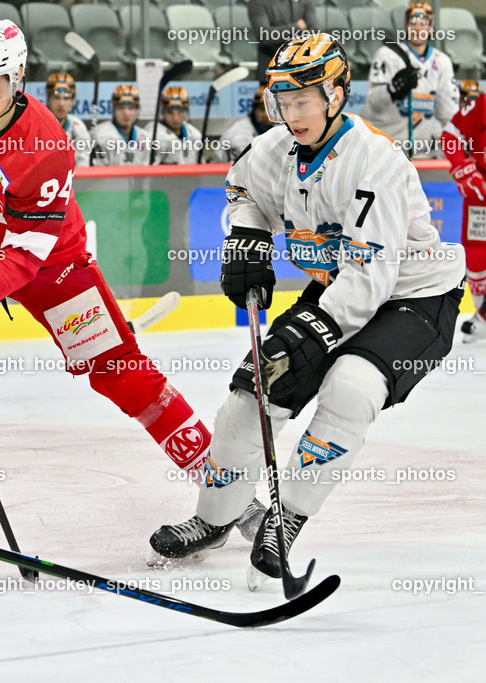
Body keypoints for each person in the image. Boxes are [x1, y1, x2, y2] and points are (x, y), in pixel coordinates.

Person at [0, 18, 243, 539]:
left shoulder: (46, 145)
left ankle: (227, 493)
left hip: (49, 261)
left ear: (17, 76)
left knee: (119, 369)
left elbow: (21, 261)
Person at [148, 35, 465, 587]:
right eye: (282, 101)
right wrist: (247, 237)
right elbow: (244, 191)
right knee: (252, 395)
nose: (291, 114)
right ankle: (215, 518)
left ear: (337, 95)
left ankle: (286, 517)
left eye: (303, 101)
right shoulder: (274, 150)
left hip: (415, 297)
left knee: (350, 386)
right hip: (338, 286)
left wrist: (313, 333)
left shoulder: (375, 162)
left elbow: (373, 276)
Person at [361, 2, 459, 159]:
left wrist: (465, 139)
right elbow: (373, 102)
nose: (417, 28)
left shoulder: (442, 61)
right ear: (406, 27)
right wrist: (393, 90)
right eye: (412, 23)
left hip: (419, 155)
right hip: (382, 151)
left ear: (431, 28)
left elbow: (448, 113)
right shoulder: (387, 54)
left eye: (423, 23)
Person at [441, 82, 486, 343]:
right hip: (481, 193)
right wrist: (465, 170)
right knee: (478, 256)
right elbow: (450, 135)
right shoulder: (482, 106)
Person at [248, 0, 316, 77]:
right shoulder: (257, 2)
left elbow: (314, 31)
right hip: (271, 72)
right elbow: (265, 35)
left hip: (302, 71)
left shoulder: (304, 2)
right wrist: (297, 27)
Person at [211, 84, 274, 163]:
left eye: (270, 110)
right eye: (261, 109)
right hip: (220, 174)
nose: (265, 114)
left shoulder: (267, 128)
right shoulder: (241, 136)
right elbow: (239, 171)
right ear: (254, 111)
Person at [91, 85, 150, 166]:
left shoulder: (144, 137)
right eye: (121, 108)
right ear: (113, 109)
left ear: (137, 110)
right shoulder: (101, 135)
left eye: (131, 108)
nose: (126, 113)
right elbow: (99, 175)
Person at [145, 86, 203, 165]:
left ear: (186, 112)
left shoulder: (195, 134)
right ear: (162, 112)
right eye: (169, 112)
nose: (175, 118)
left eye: (180, 111)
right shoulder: (153, 134)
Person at [44, 72, 91, 167]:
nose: (61, 103)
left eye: (66, 98)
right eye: (56, 98)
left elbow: (83, 166)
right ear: (48, 100)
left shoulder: (78, 128)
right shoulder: (36, 125)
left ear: (72, 102)